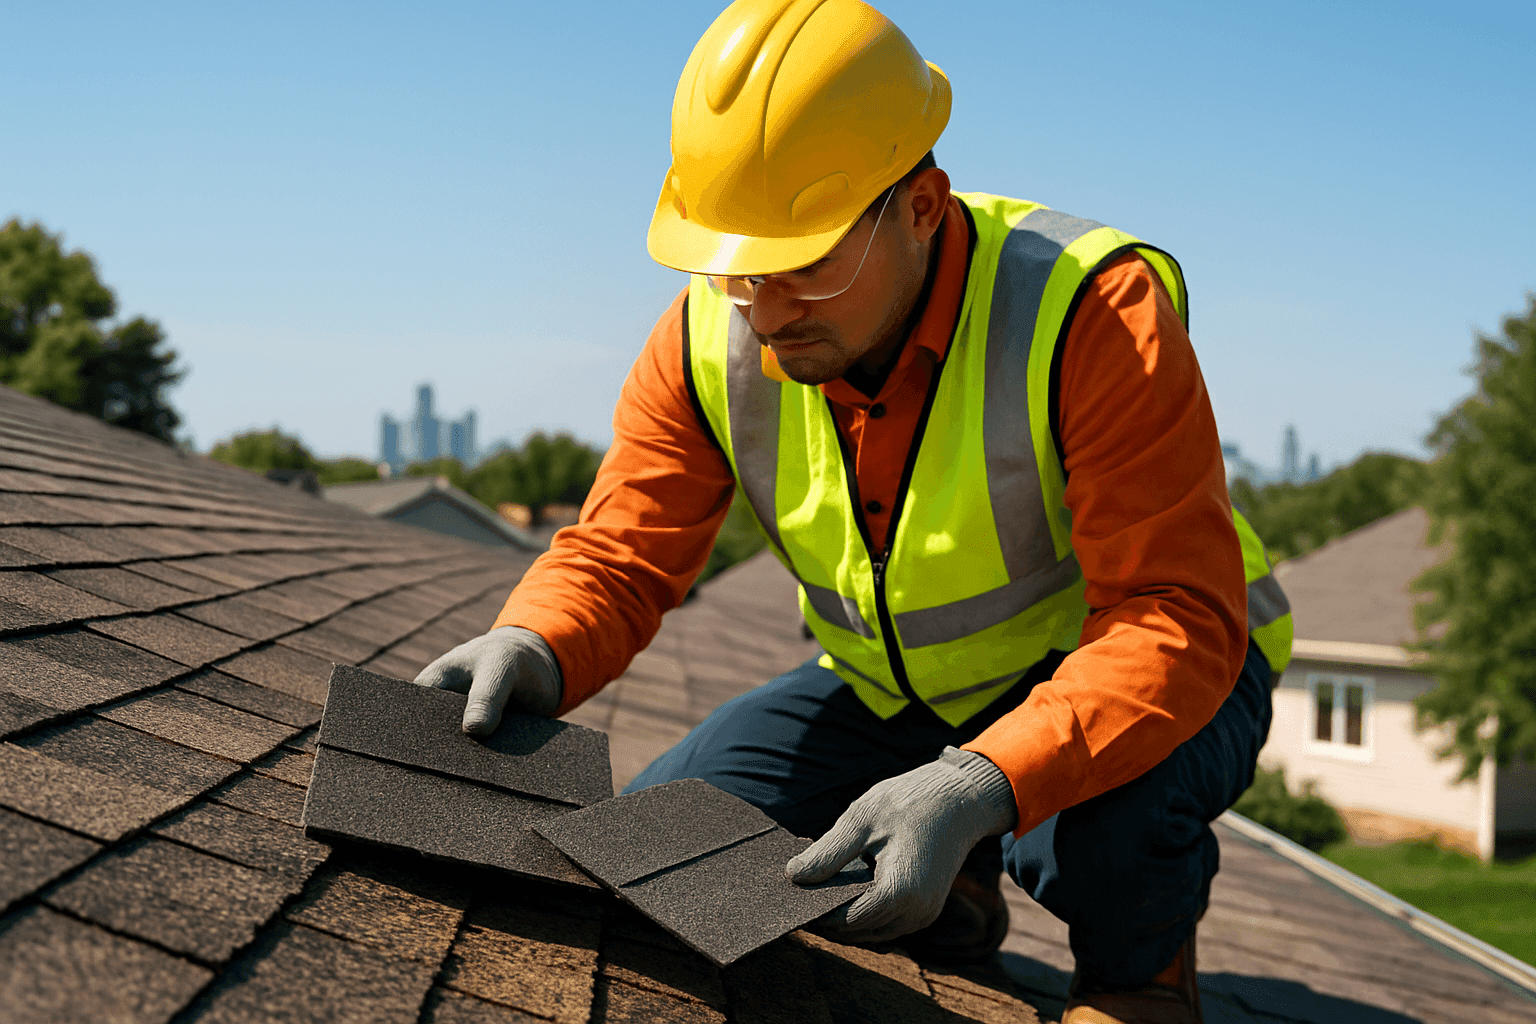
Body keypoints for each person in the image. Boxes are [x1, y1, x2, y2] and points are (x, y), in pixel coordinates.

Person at [416, 2, 1292, 1021]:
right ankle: (950, 893)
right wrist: (536, 640)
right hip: (896, 690)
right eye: (738, 264)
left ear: (922, 203)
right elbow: (621, 550)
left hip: (1158, 670)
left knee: (1095, 826)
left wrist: (976, 784)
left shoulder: (1092, 310)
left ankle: (1137, 979)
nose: (767, 308)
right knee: (662, 843)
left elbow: (1171, 617)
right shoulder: (713, 330)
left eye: (809, 262)